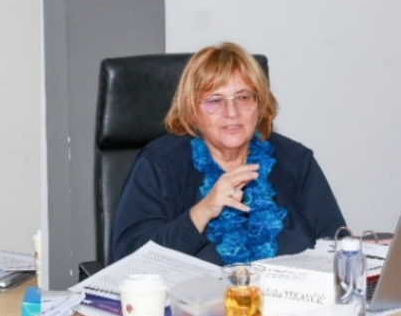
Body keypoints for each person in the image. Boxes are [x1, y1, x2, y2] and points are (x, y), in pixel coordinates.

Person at [110, 42, 346, 265]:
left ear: (259, 104)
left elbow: (338, 251)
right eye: (215, 100)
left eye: (243, 97)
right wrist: (203, 211)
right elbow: (129, 265)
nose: (232, 112)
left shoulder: (296, 160)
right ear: (192, 111)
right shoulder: (159, 165)